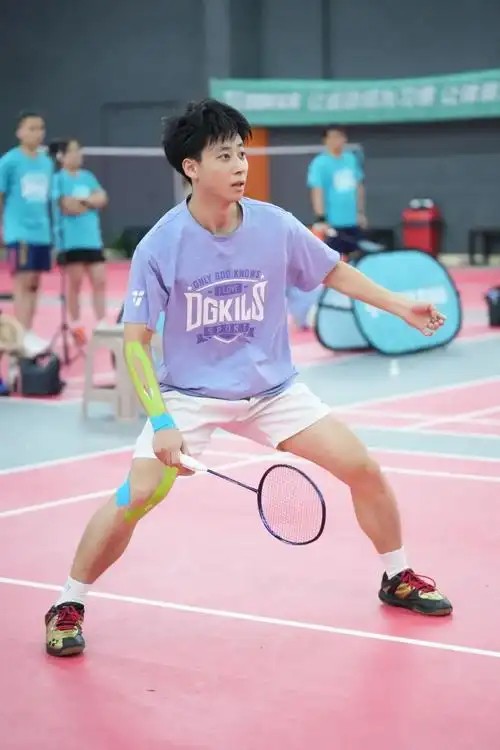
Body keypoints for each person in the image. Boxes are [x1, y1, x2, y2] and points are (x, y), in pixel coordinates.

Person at [44, 99, 452, 658]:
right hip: (190, 396)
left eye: (242, 153)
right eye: (225, 156)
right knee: (135, 495)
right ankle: (68, 603)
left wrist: (399, 305)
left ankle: (397, 575)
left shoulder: (274, 224)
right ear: (191, 167)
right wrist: (161, 421)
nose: (240, 165)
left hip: (272, 392)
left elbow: (332, 270)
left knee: (364, 469)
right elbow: (135, 342)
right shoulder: (160, 245)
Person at [0, 111, 53, 356]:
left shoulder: (46, 163)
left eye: (40, 128)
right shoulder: (9, 161)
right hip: (18, 231)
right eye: (31, 128)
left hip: (41, 231)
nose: (37, 133)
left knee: (34, 283)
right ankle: (20, 334)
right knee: (22, 281)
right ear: (20, 132)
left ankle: (29, 330)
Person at [50, 138, 109, 344]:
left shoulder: (88, 177)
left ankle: (102, 323)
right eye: (73, 151)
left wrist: (85, 202)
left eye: (79, 150)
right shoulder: (58, 179)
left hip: (92, 239)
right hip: (71, 241)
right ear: (62, 156)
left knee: (99, 281)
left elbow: (102, 198)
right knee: (74, 284)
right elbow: (68, 207)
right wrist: (89, 202)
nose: (78, 155)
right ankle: (76, 325)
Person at [307, 124, 367, 256]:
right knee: (335, 258)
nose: (336, 141)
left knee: (355, 257)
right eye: (332, 137)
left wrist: (360, 212)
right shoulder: (320, 163)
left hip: (352, 220)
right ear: (325, 140)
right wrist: (321, 218)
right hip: (333, 222)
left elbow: (358, 186)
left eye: (339, 137)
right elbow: (317, 191)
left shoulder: (350, 159)